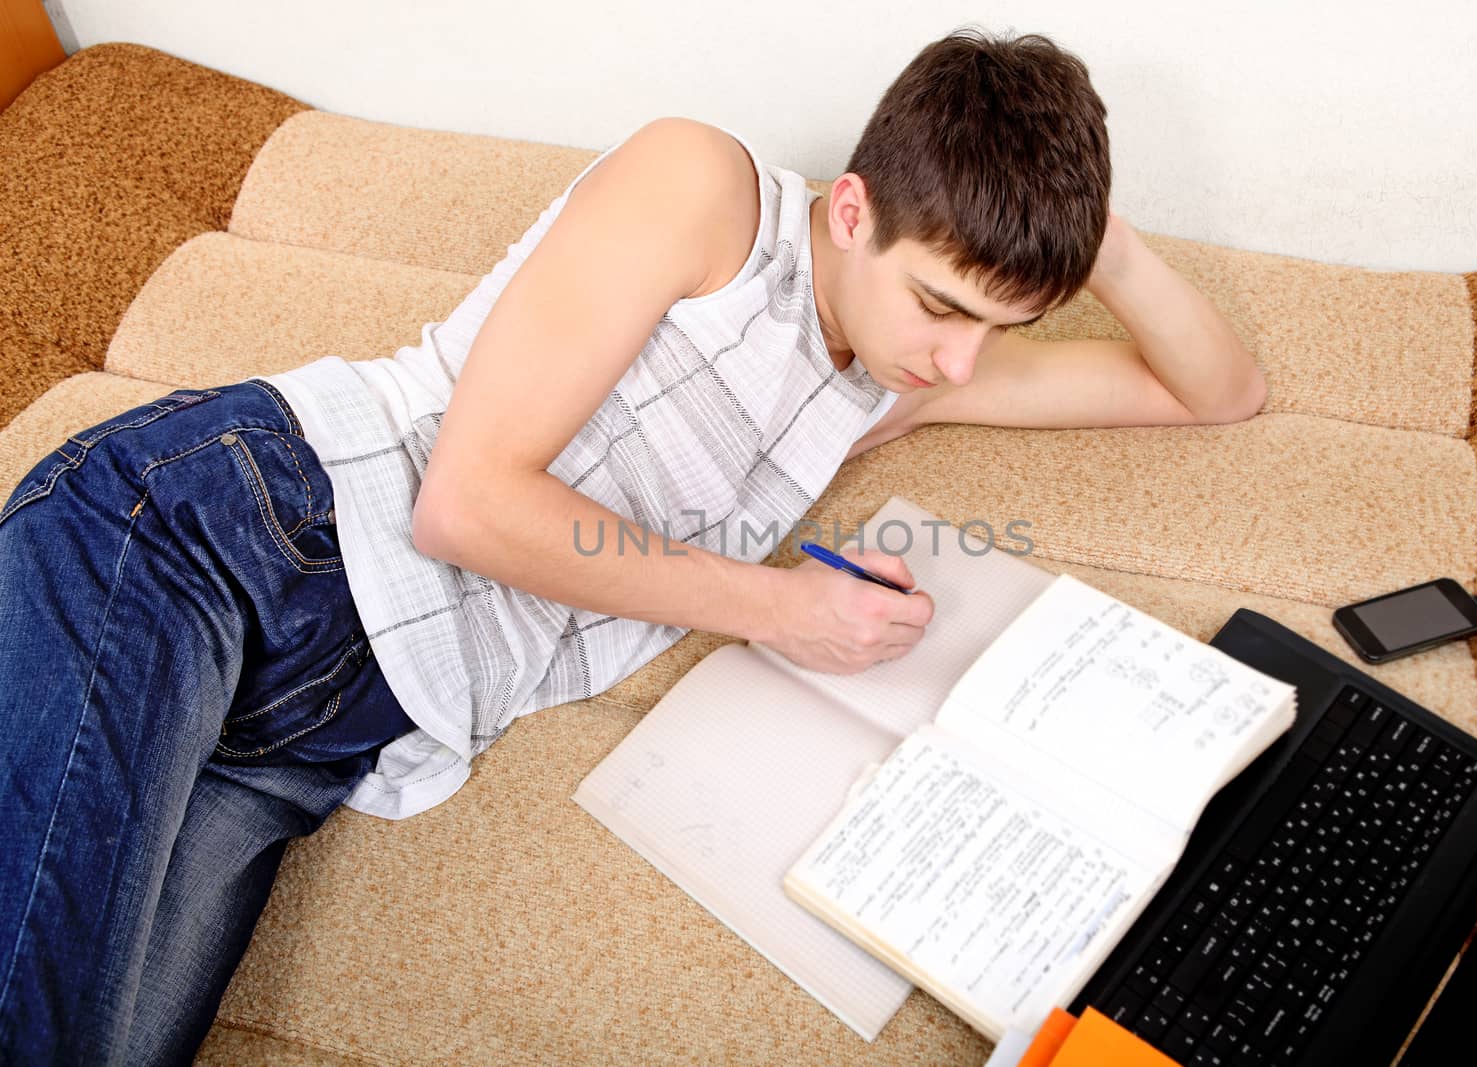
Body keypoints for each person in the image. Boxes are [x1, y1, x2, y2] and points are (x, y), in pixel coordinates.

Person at [0, 26, 1265, 1066]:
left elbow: (1216, 394)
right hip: (220, 536)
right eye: (941, 301)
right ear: (850, 209)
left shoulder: (894, 377)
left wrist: (1091, 238)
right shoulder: (703, 189)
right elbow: (468, 503)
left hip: (329, 732)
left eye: (1001, 326)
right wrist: (774, 608)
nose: (956, 358)